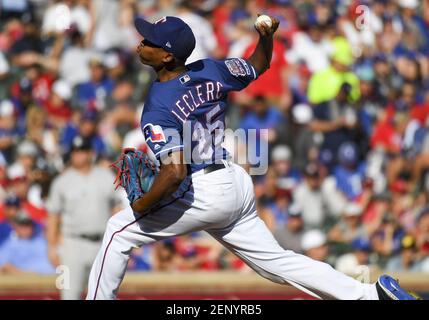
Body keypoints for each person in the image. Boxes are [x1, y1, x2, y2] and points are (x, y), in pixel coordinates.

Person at [86, 15, 416, 300]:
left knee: (118, 230)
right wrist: (266, 37)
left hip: (201, 190)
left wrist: (142, 207)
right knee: (276, 263)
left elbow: (173, 172)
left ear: (167, 57)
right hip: (234, 183)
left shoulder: (159, 104)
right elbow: (259, 64)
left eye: (150, 42)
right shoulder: (210, 69)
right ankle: (369, 294)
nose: (141, 43)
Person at [46, 135, 124, 300]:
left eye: (82, 151)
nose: (78, 155)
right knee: (68, 294)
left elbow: (117, 209)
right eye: (75, 151)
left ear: (90, 153)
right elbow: (53, 216)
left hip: (102, 244)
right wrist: (52, 247)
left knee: (104, 295)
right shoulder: (61, 181)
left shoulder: (106, 177)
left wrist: (120, 242)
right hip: (71, 245)